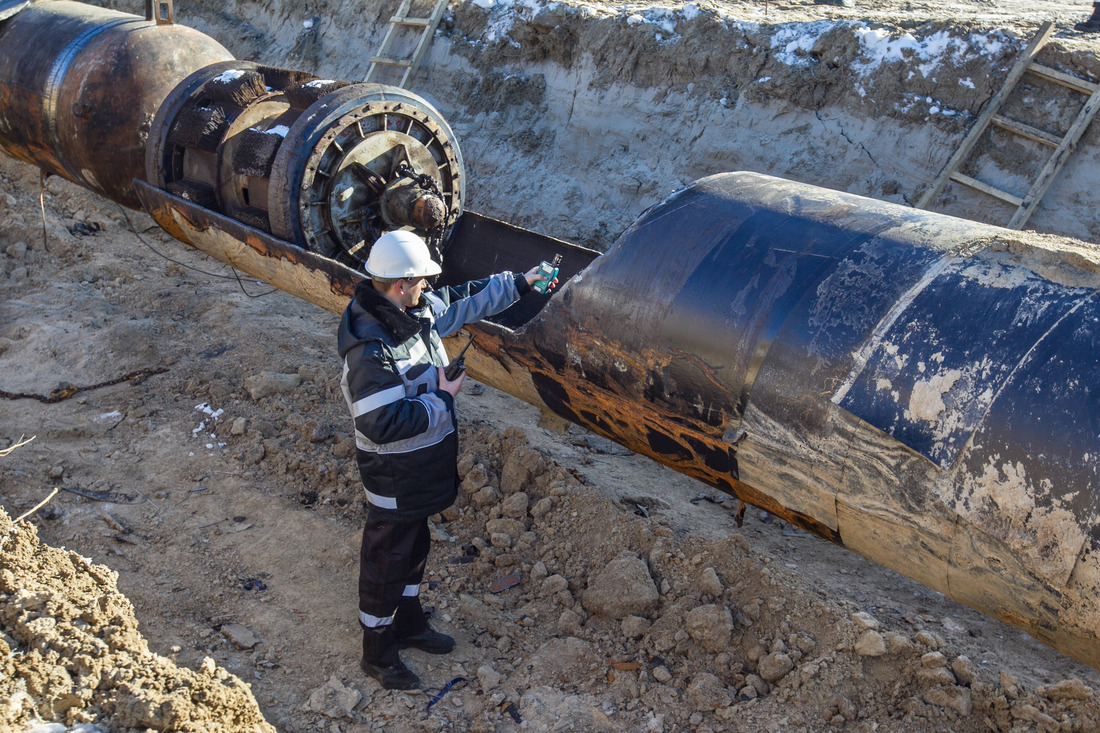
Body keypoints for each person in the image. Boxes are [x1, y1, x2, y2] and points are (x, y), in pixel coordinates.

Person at [337, 230, 557, 690]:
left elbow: (466, 300)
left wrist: (524, 281)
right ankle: (376, 652)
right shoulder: (371, 347)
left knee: (415, 548)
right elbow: (380, 423)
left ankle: (409, 623)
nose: (427, 289)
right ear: (401, 283)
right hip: (394, 474)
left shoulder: (412, 313)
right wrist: (441, 396)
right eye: (422, 281)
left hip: (420, 465)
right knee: (386, 560)